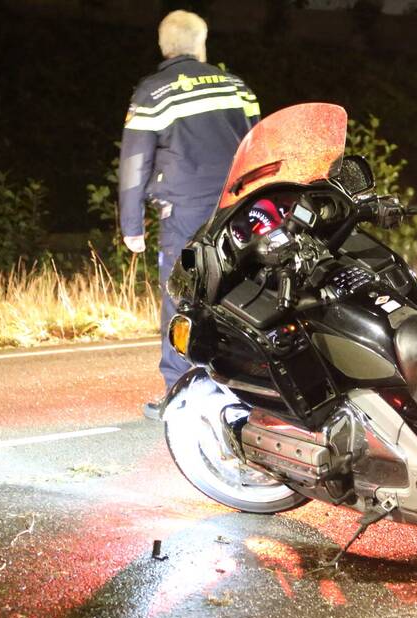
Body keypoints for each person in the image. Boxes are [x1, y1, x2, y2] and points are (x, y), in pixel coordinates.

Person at [117, 10, 260, 419]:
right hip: (240, 208)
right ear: (201, 44)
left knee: (182, 297)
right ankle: (248, 389)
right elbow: (258, 143)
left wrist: (131, 224)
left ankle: (180, 394)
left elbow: (135, 161)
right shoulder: (236, 87)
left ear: (165, 47)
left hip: (185, 212)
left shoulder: (155, 91)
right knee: (239, 292)